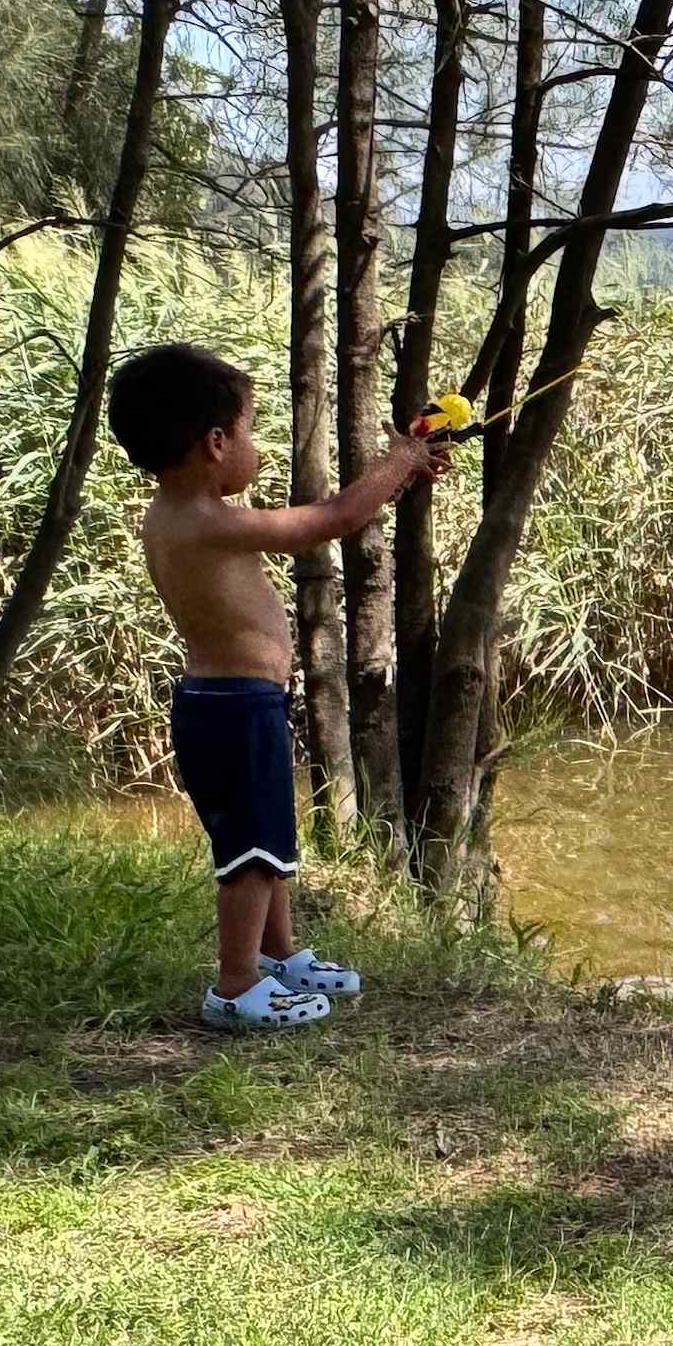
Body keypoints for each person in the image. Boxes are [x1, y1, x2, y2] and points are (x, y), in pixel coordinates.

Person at [106, 342, 442, 1031]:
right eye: (250, 430)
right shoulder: (207, 521)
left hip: (226, 704)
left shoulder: (169, 513)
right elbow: (335, 520)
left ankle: (279, 956)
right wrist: (402, 463)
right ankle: (236, 987)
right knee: (252, 852)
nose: (255, 447)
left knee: (266, 837)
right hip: (235, 707)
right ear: (217, 442)